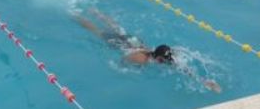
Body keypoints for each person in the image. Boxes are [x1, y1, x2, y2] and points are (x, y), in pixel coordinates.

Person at [75, 8, 221, 93]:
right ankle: (78, 17)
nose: (164, 63)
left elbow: (180, 67)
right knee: (98, 32)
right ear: (158, 58)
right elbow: (122, 61)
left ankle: (96, 12)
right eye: (162, 61)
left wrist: (203, 81)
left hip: (135, 42)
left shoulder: (164, 55)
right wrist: (121, 68)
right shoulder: (141, 59)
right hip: (125, 45)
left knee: (117, 28)